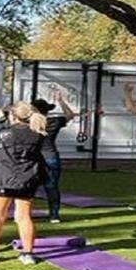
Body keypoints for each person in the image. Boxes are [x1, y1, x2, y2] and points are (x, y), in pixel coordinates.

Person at [0, 101, 48, 266]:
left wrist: (3, 127)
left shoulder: (4, 134)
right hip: (26, 179)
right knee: (24, 217)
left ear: (13, 116)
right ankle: (28, 254)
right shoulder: (38, 134)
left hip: (3, 178)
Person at [30, 89, 81, 223]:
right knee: (51, 186)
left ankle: (25, 213)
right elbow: (70, 115)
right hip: (50, 156)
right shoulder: (54, 121)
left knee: (28, 186)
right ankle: (54, 215)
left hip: (34, 157)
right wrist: (61, 101)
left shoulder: (30, 123)